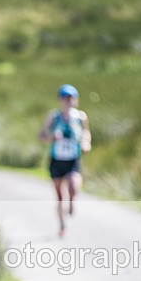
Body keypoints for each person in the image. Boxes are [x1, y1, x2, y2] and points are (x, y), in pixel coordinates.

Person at [38, 84, 92, 237]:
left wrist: (85, 143)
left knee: (74, 187)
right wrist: (51, 137)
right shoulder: (54, 117)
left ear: (75, 99)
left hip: (72, 160)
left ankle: (72, 201)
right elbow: (41, 135)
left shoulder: (81, 117)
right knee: (60, 196)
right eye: (65, 98)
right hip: (56, 160)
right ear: (60, 100)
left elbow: (86, 133)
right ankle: (62, 225)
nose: (68, 101)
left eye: (71, 98)